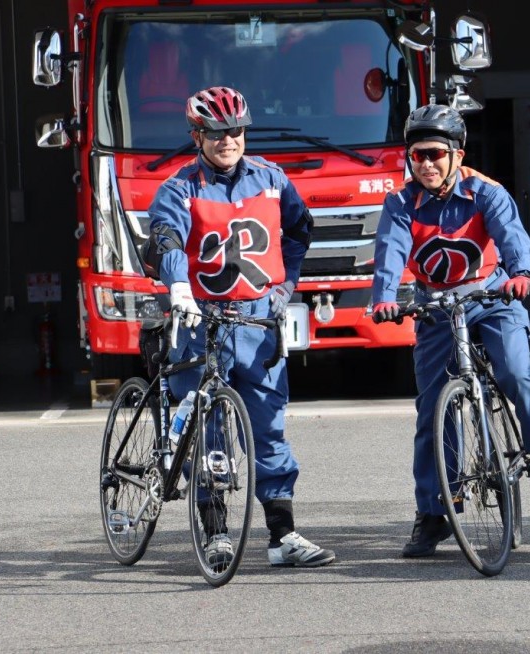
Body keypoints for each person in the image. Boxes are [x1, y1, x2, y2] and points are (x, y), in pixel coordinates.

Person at [144, 86, 335, 567]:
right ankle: (215, 533)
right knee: (207, 432)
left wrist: (286, 285)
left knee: (268, 428)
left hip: (257, 322)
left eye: (236, 131)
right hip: (200, 320)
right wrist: (178, 287)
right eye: (216, 132)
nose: (228, 139)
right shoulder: (179, 187)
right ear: (197, 136)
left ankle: (283, 537)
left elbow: (299, 230)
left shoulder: (272, 178)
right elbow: (165, 235)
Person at [371, 103, 530, 557]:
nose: (427, 164)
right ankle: (435, 513)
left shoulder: (486, 192)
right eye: (417, 156)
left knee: (516, 372)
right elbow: (391, 250)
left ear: (457, 154)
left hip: (493, 298)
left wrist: (521, 273)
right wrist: (384, 297)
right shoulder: (400, 202)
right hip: (436, 307)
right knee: (433, 411)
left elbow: (513, 237)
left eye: (436, 154)